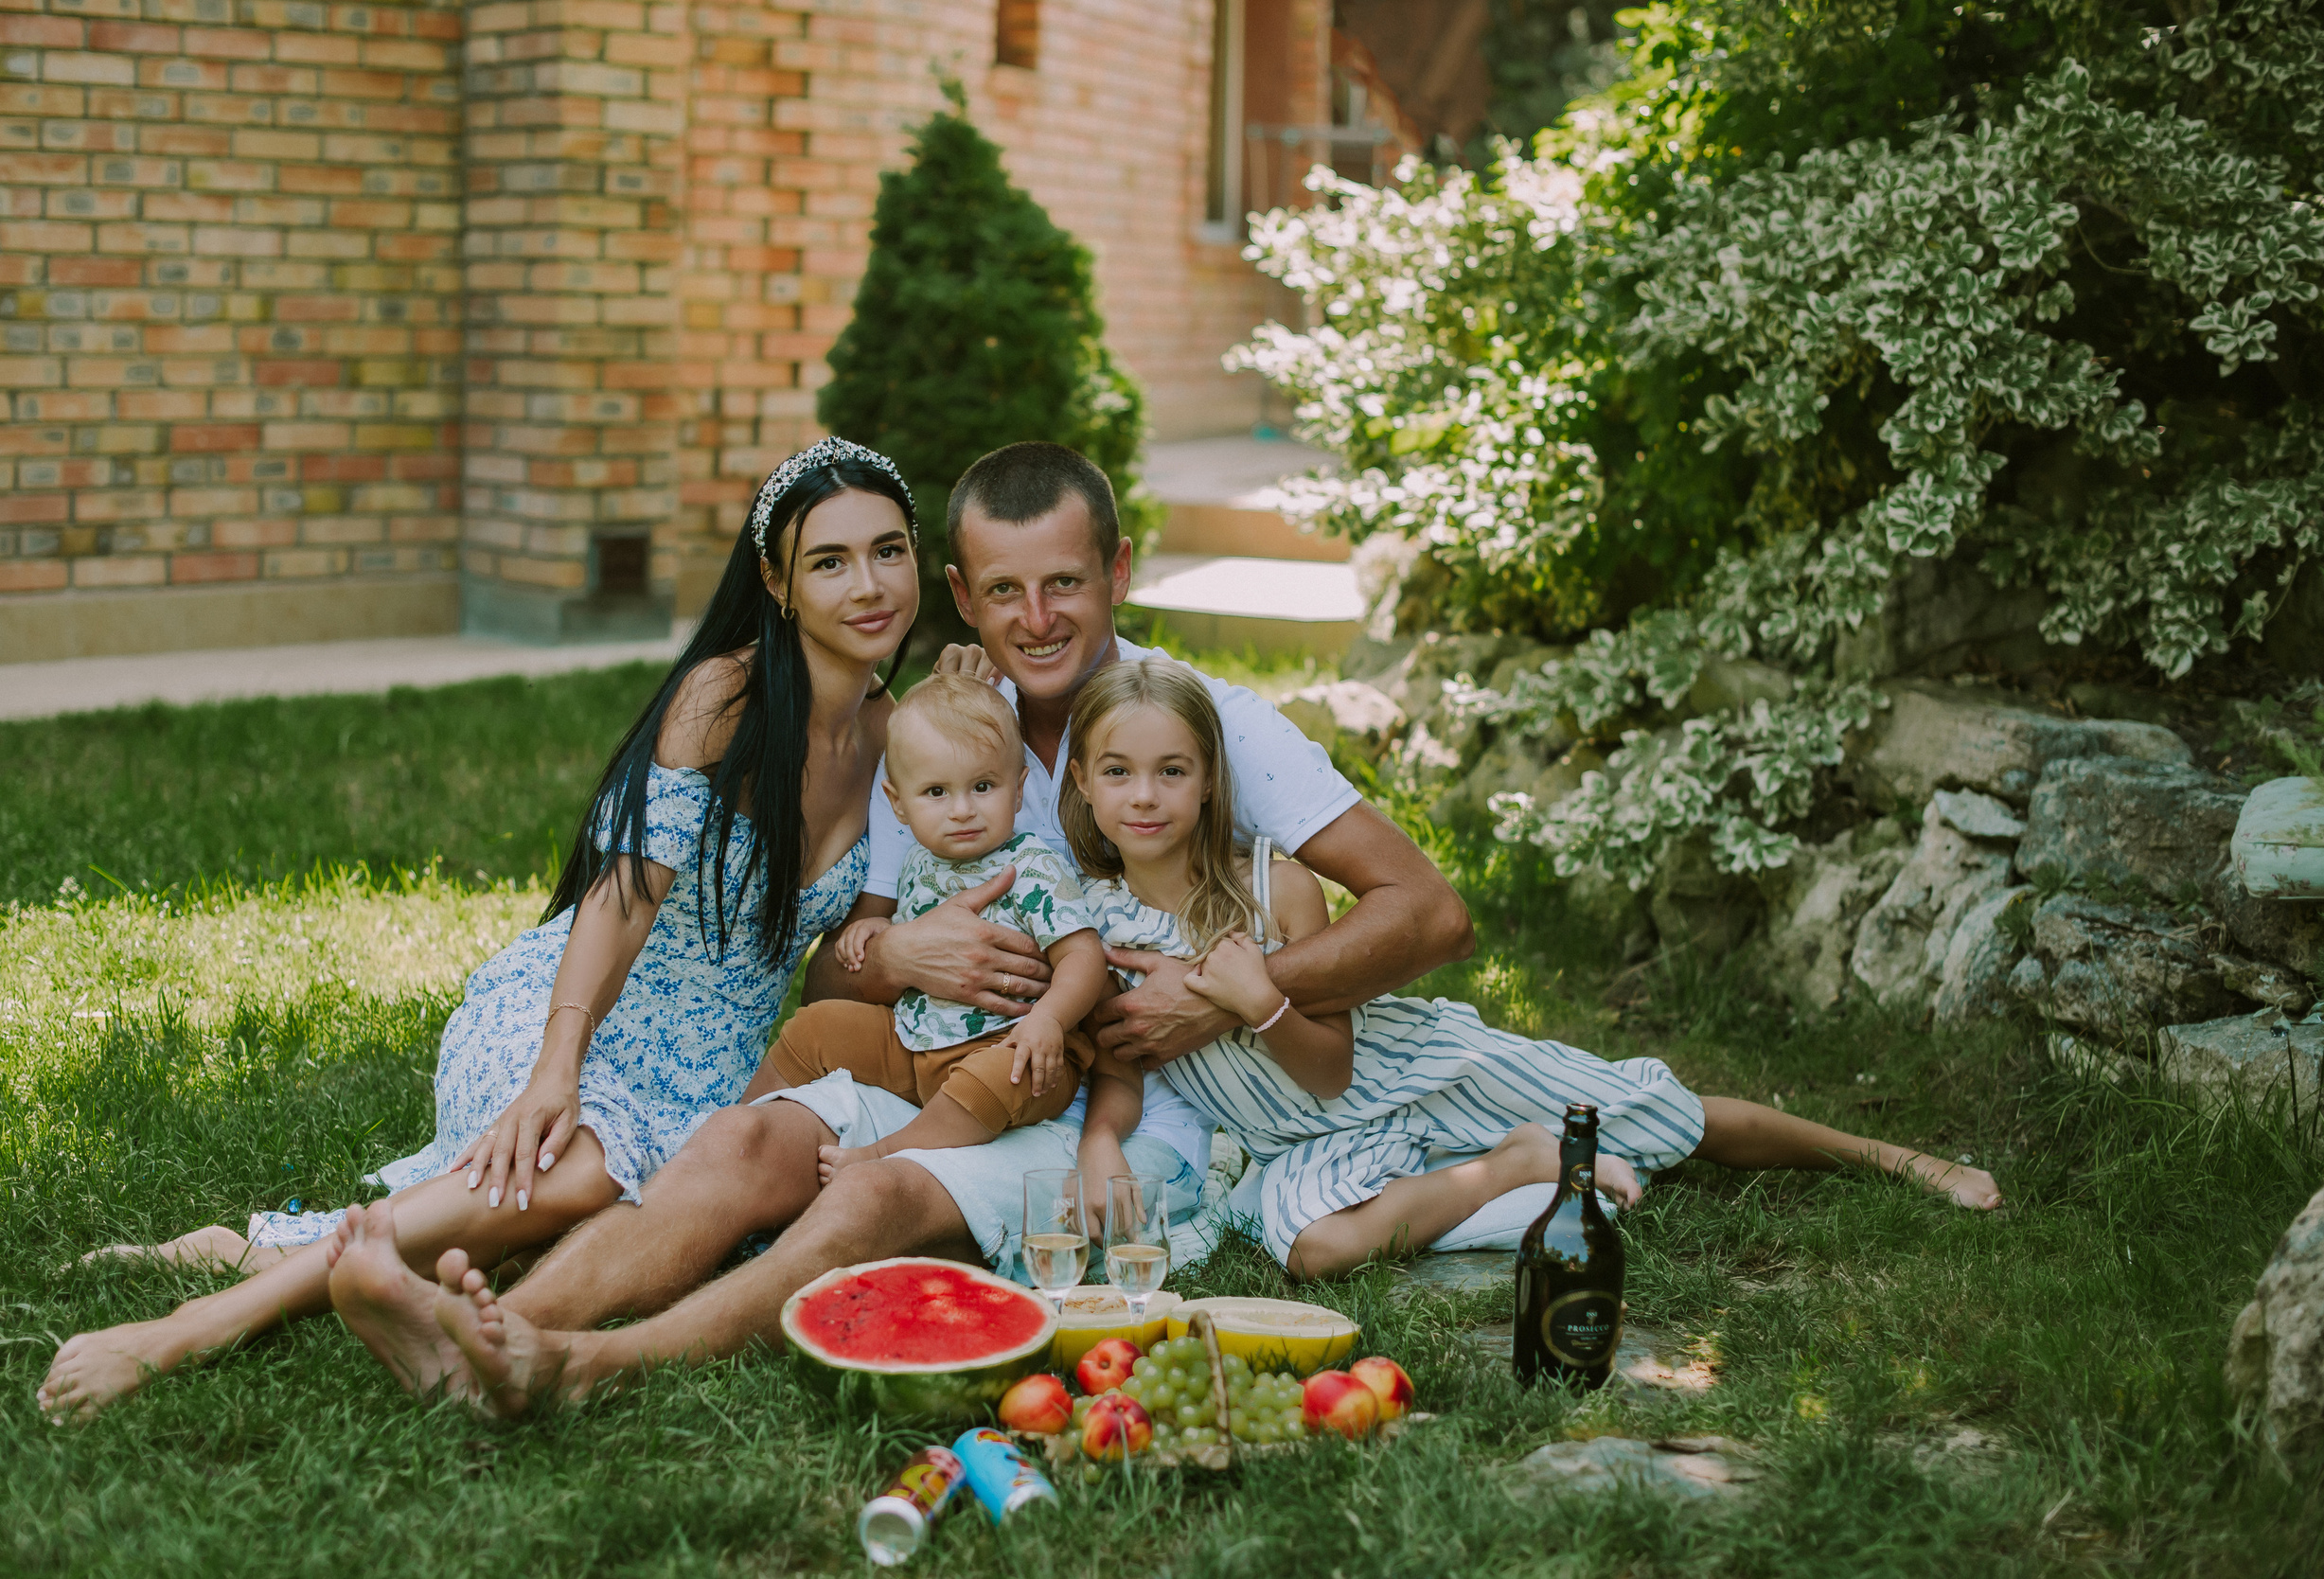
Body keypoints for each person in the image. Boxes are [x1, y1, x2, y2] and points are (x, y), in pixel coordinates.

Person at [324, 440, 1477, 1414]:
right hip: (939, 1055)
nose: (1037, 620)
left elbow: (1427, 912)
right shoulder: (933, 733)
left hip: (1112, 1107)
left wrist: (1222, 987)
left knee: (864, 1196)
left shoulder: (1191, 726)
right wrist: (893, 954)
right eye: (1005, 592)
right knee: (738, 1143)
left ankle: (579, 1365)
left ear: (1118, 572)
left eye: (1065, 585)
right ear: (962, 597)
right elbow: (843, 946)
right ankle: (490, 1340)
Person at [36, 439, 921, 1420]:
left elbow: (840, 979)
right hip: (577, 1013)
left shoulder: (902, 745)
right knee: (578, 1170)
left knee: (598, 1217)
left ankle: (266, 1250)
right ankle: (190, 1330)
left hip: (718, 1081)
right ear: (777, 582)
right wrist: (555, 1068)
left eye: (888, 551)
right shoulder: (726, 696)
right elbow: (617, 901)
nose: (868, 585)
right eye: (829, 561)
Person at [1062, 656, 2002, 1280]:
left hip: (1408, 1075)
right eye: (1117, 772)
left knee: (1661, 1115)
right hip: (1306, 1144)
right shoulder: (1091, 925)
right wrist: (1101, 1142)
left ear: (1210, 778)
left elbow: (1330, 1069)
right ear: (1082, 784)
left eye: (1172, 771)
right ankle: (1508, 1167)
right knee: (1314, 1251)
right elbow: (1120, 1067)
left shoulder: (1277, 887)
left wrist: (1259, 1001)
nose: (1144, 796)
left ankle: (1892, 1158)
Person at [760, 669, 1132, 1175]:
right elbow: (911, 935)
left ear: (1018, 789)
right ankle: (738, 1125)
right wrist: (878, 933)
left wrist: (1050, 1020)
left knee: (999, 1076)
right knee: (816, 1027)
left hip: (1016, 1046)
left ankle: (883, 1155)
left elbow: (1084, 956)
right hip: (915, 1040)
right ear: (898, 804)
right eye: (936, 792)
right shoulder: (917, 863)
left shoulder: (1030, 865)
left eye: (982, 786)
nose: (962, 810)